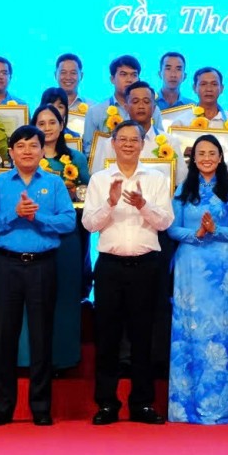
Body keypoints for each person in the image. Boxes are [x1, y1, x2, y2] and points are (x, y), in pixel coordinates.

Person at [0, 124, 77, 425]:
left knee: (41, 336)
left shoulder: (55, 183)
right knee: (4, 336)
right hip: (7, 265)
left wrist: (37, 217)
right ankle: (3, 407)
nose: (27, 151)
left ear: (42, 150)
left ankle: (41, 408)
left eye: (33, 145)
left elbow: (68, 222)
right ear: (11, 152)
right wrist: (15, 214)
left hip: (42, 266)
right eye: (20, 146)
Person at [82, 120, 174, 424]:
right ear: (113, 143)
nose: (128, 145)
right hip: (110, 267)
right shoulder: (100, 179)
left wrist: (143, 204)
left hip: (146, 266)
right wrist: (110, 203)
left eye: (134, 140)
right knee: (107, 337)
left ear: (143, 144)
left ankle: (142, 404)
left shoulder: (157, 178)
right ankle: (106, 404)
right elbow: (89, 224)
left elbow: (165, 222)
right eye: (122, 139)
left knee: (143, 337)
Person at [165, 133, 228, 424]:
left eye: (212, 153)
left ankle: (225, 407)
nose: (206, 158)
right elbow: (172, 229)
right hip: (190, 263)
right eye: (201, 153)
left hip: (222, 266)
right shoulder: (183, 188)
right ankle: (186, 407)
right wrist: (197, 234)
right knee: (189, 330)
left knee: (223, 331)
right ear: (193, 158)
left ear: (220, 157)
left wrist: (215, 231)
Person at [23, 103, 90, 375]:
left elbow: (87, 193)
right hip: (31, 233)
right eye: (41, 123)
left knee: (65, 296)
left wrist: (73, 193)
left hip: (65, 236)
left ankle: (64, 358)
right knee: (32, 298)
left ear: (62, 126)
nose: (47, 128)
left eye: (52, 122)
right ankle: (31, 359)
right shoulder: (26, 156)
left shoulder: (76, 158)